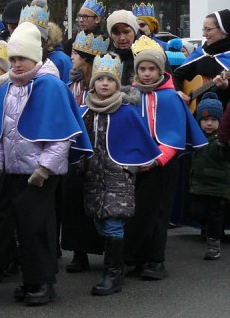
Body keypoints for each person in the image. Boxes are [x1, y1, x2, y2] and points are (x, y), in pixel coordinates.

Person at [0, 21, 91, 306]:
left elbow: (61, 137)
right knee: (13, 227)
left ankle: (42, 282)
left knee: (37, 229)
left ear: (36, 58)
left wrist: (44, 169)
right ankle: (28, 280)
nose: (17, 64)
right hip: (13, 173)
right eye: (13, 59)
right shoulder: (6, 90)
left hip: (39, 174)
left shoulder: (50, 87)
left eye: (22, 58)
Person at [123, 36, 207, 280]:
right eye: (142, 69)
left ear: (160, 70)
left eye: (151, 69)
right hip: (135, 163)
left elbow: (174, 136)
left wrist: (158, 159)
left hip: (163, 164)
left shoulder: (171, 97)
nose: (147, 74)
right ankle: (136, 257)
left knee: (159, 213)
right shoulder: (131, 96)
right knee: (136, 212)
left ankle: (155, 261)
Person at [78, 53, 161, 295]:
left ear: (118, 84)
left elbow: (140, 139)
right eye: (101, 79)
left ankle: (112, 274)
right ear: (93, 83)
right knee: (100, 222)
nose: (105, 84)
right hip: (93, 176)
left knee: (114, 222)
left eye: (110, 80)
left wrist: (132, 166)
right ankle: (117, 265)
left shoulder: (126, 111)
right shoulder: (85, 111)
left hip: (119, 177)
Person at [61, 31, 111, 273]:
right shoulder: (70, 84)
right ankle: (78, 253)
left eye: (75, 54)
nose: (71, 57)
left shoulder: (100, 85)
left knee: (98, 202)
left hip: (97, 151)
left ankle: (106, 252)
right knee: (73, 203)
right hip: (73, 152)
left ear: (86, 59)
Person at [190, 93, 228, 261]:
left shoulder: (221, 141)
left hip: (218, 188)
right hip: (198, 185)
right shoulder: (196, 138)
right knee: (196, 212)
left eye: (214, 119)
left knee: (214, 216)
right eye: (205, 120)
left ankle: (214, 244)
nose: (209, 123)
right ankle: (212, 230)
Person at [173, 10, 230, 109]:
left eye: (208, 30)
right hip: (197, 116)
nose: (204, 34)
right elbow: (177, 75)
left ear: (223, 30)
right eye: (204, 29)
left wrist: (227, 86)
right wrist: (178, 91)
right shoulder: (201, 53)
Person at [107, 10, 140, 86]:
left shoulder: (147, 53)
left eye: (126, 32)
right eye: (117, 33)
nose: (122, 38)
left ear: (134, 32)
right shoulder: (105, 55)